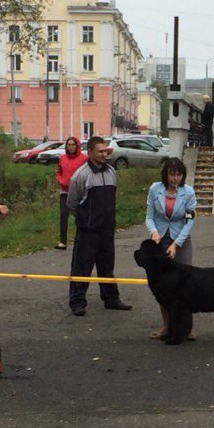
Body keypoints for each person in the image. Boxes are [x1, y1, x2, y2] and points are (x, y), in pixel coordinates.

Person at [67, 136, 132, 317]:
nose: (104, 154)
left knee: (107, 267)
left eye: (106, 151)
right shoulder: (80, 176)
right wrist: (86, 219)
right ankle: (77, 302)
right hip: (88, 231)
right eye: (100, 151)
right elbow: (72, 203)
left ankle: (111, 299)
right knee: (81, 267)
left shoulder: (111, 172)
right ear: (90, 153)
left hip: (106, 230)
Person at [146, 157, 197, 340]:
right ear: (166, 174)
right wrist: (154, 232)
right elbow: (149, 216)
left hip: (181, 239)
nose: (175, 178)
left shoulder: (188, 192)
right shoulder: (155, 189)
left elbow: (190, 221)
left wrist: (176, 244)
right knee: (164, 286)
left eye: (179, 175)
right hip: (161, 240)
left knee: (185, 286)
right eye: (172, 174)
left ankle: (187, 329)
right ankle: (167, 326)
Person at [55, 136, 87, 250]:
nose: (71, 147)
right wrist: (60, 180)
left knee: (79, 216)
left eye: (73, 145)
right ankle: (63, 242)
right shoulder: (62, 158)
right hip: (64, 191)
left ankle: (82, 241)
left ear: (77, 146)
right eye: (69, 145)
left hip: (78, 192)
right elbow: (59, 172)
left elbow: (86, 173)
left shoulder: (83, 158)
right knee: (63, 216)